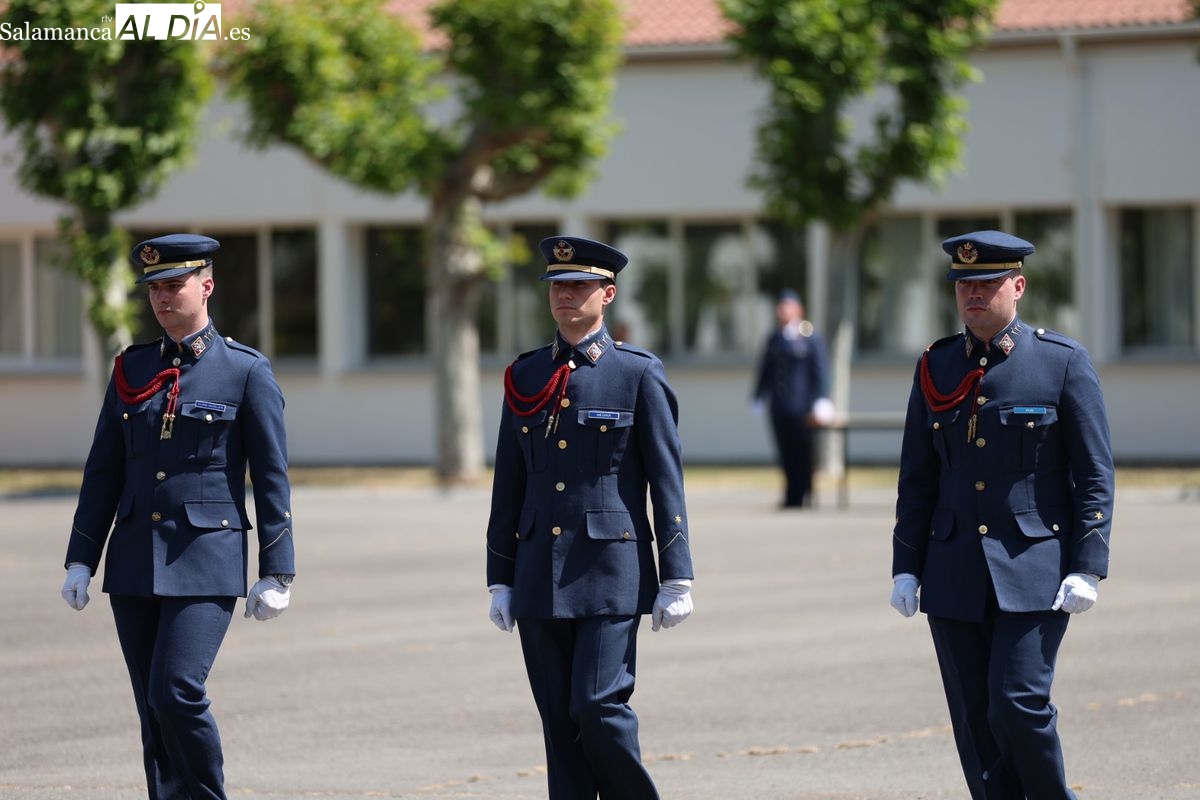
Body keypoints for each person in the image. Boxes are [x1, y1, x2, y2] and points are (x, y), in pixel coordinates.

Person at [60, 233, 296, 800]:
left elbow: (271, 476)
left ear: (206, 286)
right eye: (154, 289)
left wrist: (278, 570)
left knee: (176, 691)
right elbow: (103, 470)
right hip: (134, 560)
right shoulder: (131, 368)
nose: (162, 298)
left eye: (174, 285)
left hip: (205, 558)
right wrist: (80, 557)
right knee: (151, 705)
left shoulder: (244, 370)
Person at [889, 230, 1113, 799]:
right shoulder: (936, 365)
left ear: (1018, 286)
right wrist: (905, 566)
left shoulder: (1061, 362)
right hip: (952, 568)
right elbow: (918, 475)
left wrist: (1088, 565)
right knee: (974, 720)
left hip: (1033, 567)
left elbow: (1093, 473)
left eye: (988, 283)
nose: (973, 294)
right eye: (964, 284)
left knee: (1017, 703)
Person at [485, 235, 695, 799]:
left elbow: (665, 478)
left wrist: (677, 572)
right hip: (537, 572)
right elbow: (509, 482)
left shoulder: (636, 373)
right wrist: (500, 575)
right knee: (559, 724)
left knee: (598, 706)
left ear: (608, 294)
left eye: (579, 285)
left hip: (609, 570)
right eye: (557, 285)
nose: (565, 295)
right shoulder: (525, 375)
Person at [752, 289, 833, 508]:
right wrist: (758, 395)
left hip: (803, 406)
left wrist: (822, 399)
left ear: (798, 309)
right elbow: (765, 370)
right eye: (780, 306)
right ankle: (791, 494)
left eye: (787, 306)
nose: (782, 311)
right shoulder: (774, 338)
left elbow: (820, 371)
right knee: (785, 451)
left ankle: (806, 493)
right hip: (779, 405)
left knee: (804, 451)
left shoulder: (809, 337)